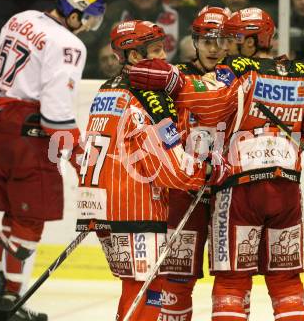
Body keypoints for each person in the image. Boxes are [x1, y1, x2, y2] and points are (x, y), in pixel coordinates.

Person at [128, 7, 304, 321]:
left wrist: (176, 85)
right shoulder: (302, 75)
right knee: (286, 282)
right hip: (286, 191)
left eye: (232, 39)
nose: (224, 47)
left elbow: (210, 107)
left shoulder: (237, 72)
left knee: (232, 281)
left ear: (251, 43)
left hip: (238, 189)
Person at [77, 19, 226, 321]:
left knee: (143, 285)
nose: (163, 59)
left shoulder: (107, 89)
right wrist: (206, 170)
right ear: (134, 56)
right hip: (134, 206)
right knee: (144, 287)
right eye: (156, 51)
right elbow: (169, 166)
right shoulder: (148, 97)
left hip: (99, 203)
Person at [0, 0, 105, 321]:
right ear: (76, 12)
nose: (87, 26)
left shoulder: (20, 18)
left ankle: (0, 293)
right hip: (25, 134)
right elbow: (56, 114)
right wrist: (80, 159)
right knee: (29, 218)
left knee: (13, 213)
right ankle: (10, 301)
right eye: (88, 17)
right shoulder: (68, 44)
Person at [157, 6, 231, 321]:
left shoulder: (243, 76)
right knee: (176, 277)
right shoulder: (174, 79)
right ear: (195, 41)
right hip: (185, 189)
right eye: (207, 40)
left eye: (221, 40)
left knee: (231, 278)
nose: (214, 48)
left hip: (230, 193)